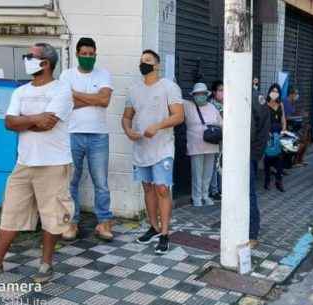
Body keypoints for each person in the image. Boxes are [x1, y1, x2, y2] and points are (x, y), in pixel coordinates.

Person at [0, 43, 73, 283]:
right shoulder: (20, 91)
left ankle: (46, 265)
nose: (26, 60)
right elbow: (9, 123)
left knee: (52, 216)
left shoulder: (61, 90)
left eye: (30, 56)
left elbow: (48, 125)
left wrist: (24, 121)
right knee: (10, 213)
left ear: (45, 63)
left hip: (53, 163)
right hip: (24, 163)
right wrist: (34, 119)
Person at [123, 49, 185, 255]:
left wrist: (158, 126)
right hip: (141, 148)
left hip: (162, 148)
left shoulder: (169, 87)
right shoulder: (134, 89)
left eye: (148, 61)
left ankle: (165, 234)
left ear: (157, 65)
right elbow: (126, 117)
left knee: (161, 189)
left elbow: (179, 116)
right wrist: (128, 131)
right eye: (142, 61)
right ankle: (154, 227)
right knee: (147, 188)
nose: (144, 64)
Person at [59, 37, 115, 242]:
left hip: (98, 136)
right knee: (70, 181)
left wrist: (76, 96)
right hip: (72, 134)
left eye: (91, 54)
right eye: (84, 54)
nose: (88, 58)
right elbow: (66, 103)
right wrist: (93, 99)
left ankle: (104, 222)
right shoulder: (67, 75)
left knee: (101, 182)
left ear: (95, 54)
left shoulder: (104, 74)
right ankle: (71, 222)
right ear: (77, 54)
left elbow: (105, 100)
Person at [184, 83, 221, 207]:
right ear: (193, 96)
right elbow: (175, 99)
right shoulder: (187, 106)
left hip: (211, 144)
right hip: (195, 145)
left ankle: (205, 195)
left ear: (206, 95)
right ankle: (196, 197)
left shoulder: (212, 107)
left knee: (208, 173)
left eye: (202, 94)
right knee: (197, 173)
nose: (200, 96)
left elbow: (221, 123)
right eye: (197, 94)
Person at [248, 87, 272, 248]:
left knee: (247, 194)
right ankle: (250, 232)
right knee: (247, 193)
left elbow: (249, 131)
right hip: (251, 154)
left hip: (245, 155)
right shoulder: (257, 98)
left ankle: (251, 233)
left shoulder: (248, 98)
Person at [263, 84, 287, 192]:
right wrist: (266, 132)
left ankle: (279, 180)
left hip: (278, 133)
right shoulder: (265, 104)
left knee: (279, 157)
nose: (275, 93)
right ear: (269, 92)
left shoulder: (280, 104)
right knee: (268, 157)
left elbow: (283, 118)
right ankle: (267, 180)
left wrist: (284, 129)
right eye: (273, 91)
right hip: (269, 133)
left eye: (277, 91)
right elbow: (263, 120)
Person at [209, 81, 224, 201]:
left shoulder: (226, 103)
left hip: (225, 138)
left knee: (222, 164)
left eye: (224, 90)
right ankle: (214, 190)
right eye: (220, 90)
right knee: (215, 164)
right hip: (216, 137)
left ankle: (221, 188)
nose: (222, 93)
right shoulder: (211, 105)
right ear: (214, 92)